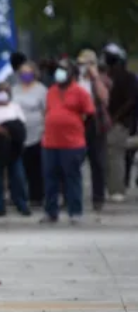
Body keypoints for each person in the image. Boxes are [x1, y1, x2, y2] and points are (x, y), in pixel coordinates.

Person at [40, 59, 95, 224]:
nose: (60, 73)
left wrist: (77, 129)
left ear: (71, 74)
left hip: (72, 144)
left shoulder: (80, 92)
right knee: (50, 178)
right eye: (59, 69)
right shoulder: (51, 91)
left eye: (64, 70)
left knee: (72, 177)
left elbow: (90, 114)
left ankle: (75, 211)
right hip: (50, 143)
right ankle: (51, 212)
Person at [0, 82, 31, 217]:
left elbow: (21, 125)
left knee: (18, 176)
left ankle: (21, 204)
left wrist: (6, 129)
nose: (3, 94)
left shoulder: (15, 107)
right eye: (0, 91)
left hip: (13, 148)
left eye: (6, 91)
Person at [75, 49, 111, 210]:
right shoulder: (75, 80)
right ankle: (72, 196)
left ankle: (98, 197)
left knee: (97, 161)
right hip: (77, 123)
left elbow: (104, 98)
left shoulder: (102, 79)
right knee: (74, 160)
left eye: (87, 63)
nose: (84, 67)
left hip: (95, 123)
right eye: (81, 64)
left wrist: (95, 77)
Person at [102, 44, 137, 203]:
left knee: (116, 155)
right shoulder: (106, 77)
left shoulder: (127, 78)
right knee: (112, 155)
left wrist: (115, 117)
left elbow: (131, 101)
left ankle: (117, 189)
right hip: (111, 122)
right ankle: (114, 187)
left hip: (121, 122)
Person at [12, 61, 49, 207]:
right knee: (19, 167)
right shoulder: (14, 89)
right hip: (18, 134)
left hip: (37, 132)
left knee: (36, 166)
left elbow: (46, 110)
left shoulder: (41, 90)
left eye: (28, 72)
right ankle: (19, 196)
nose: (25, 75)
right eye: (23, 72)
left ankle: (37, 196)